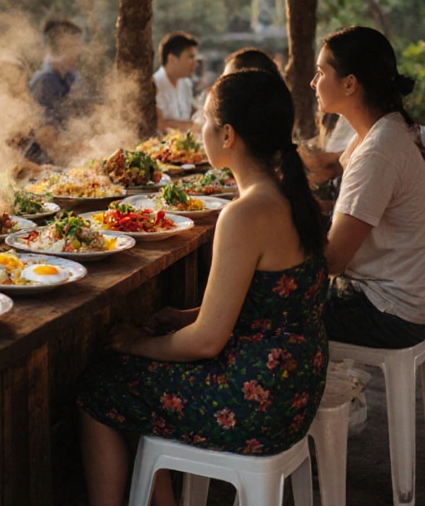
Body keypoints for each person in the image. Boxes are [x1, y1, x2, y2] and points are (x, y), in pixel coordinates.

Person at [78, 69, 328, 506]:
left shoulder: (245, 214)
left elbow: (207, 342)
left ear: (228, 134)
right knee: (142, 377)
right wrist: (186, 316)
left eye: (206, 119)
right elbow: (268, 302)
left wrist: (136, 343)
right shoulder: (294, 194)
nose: (199, 128)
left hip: (259, 400)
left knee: (101, 385)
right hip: (299, 383)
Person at [311, 26, 425, 349]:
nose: (313, 83)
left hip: (392, 311)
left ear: (349, 84)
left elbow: (332, 261)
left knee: (272, 303)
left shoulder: (378, 150)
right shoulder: (388, 128)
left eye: (320, 73)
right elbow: (330, 166)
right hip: (412, 302)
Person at [28, 19, 84, 126]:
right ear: (61, 47)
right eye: (75, 45)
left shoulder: (72, 77)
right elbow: (45, 135)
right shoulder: (45, 81)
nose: (80, 51)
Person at [154, 31, 200, 133]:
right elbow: (160, 125)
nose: (195, 63)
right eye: (190, 57)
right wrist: (194, 127)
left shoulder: (186, 83)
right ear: (172, 59)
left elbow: (195, 116)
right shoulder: (154, 84)